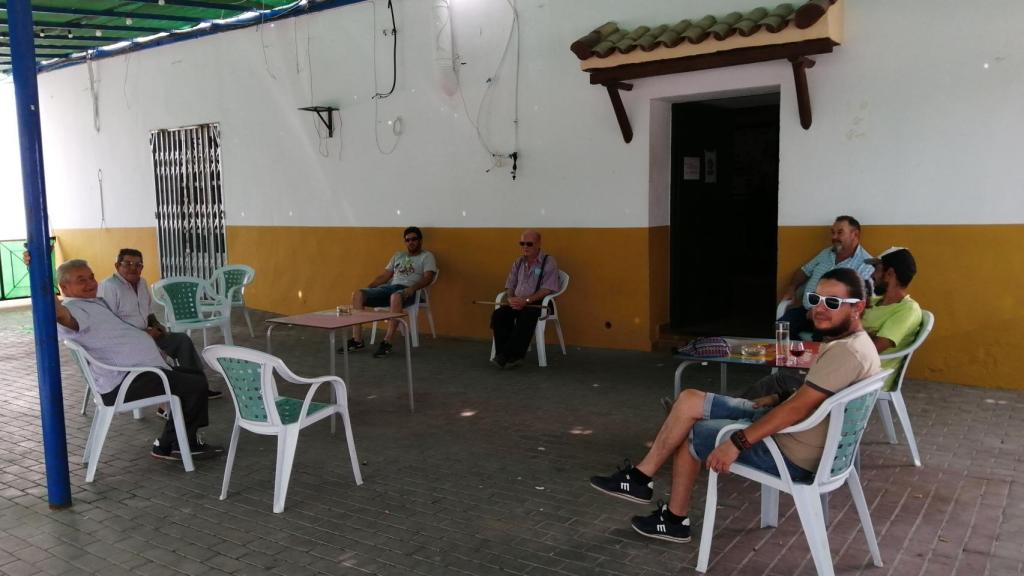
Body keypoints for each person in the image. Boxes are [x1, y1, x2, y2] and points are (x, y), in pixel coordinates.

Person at [591, 268, 879, 543]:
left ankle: (675, 520)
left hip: (790, 453)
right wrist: (777, 398)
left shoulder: (847, 353)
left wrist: (737, 442)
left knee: (692, 429)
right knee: (689, 398)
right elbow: (809, 401)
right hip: (797, 433)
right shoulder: (855, 344)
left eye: (832, 302)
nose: (819, 308)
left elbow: (796, 411)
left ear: (858, 307)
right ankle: (641, 477)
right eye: (815, 299)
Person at [55, 259, 220, 461]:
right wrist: (36, 270)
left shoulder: (91, 303)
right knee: (195, 385)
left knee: (194, 377)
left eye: (91, 277)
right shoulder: (75, 309)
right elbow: (60, 315)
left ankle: (176, 439)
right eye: (81, 280)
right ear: (64, 287)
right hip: (125, 382)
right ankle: (173, 445)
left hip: (136, 373)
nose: (91, 283)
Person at [739, 246, 922, 406]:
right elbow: (837, 326)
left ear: (890, 274)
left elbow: (871, 348)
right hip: (835, 362)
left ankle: (736, 417)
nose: (872, 274)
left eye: (877, 268)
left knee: (781, 380)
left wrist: (846, 330)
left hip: (858, 377)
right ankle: (740, 413)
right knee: (781, 376)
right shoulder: (873, 301)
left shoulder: (908, 310)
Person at [97, 248, 221, 399]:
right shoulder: (109, 286)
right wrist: (145, 334)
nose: (133, 268)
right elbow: (110, 324)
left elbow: (147, 311)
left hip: (148, 335)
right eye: (127, 263)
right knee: (157, 354)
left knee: (182, 340)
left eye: (138, 265)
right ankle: (167, 401)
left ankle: (199, 386)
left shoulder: (142, 283)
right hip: (127, 343)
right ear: (117, 266)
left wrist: (155, 323)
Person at [343, 227, 437, 358]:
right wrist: (370, 288)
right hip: (390, 288)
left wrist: (412, 289)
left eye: (414, 239)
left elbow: (428, 278)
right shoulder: (398, 255)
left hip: (410, 291)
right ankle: (357, 340)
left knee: (395, 296)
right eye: (408, 240)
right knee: (358, 294)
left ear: (420, 240)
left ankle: (387, 342)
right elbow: (384, 276)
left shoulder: (427, 256)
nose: (411, 242)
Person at [778, 215, 874, 338]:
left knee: (820, 345)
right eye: (833, 232)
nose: (834, 237)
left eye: (840, 233)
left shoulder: (865, 263)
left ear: (855, 234)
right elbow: (804, 271)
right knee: (780, 331)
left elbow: (859, 298)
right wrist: (792, 288)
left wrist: (819, 310)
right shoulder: (825, 253)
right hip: (805, 311)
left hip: (833, 316)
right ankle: (794, 355)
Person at [490, 230, 560, 369]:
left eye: (529, 243)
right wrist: (510, 299)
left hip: (539, 303)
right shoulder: (518, 262)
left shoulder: (548, 262)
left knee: (527, 316)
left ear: (538, 244)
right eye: (522, 243)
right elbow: (510, 285)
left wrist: (526, 301)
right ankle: (505, 354)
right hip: (518, 301)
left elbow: (546, 289)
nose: (525, 247)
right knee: (499, 315)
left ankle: (509, 355)